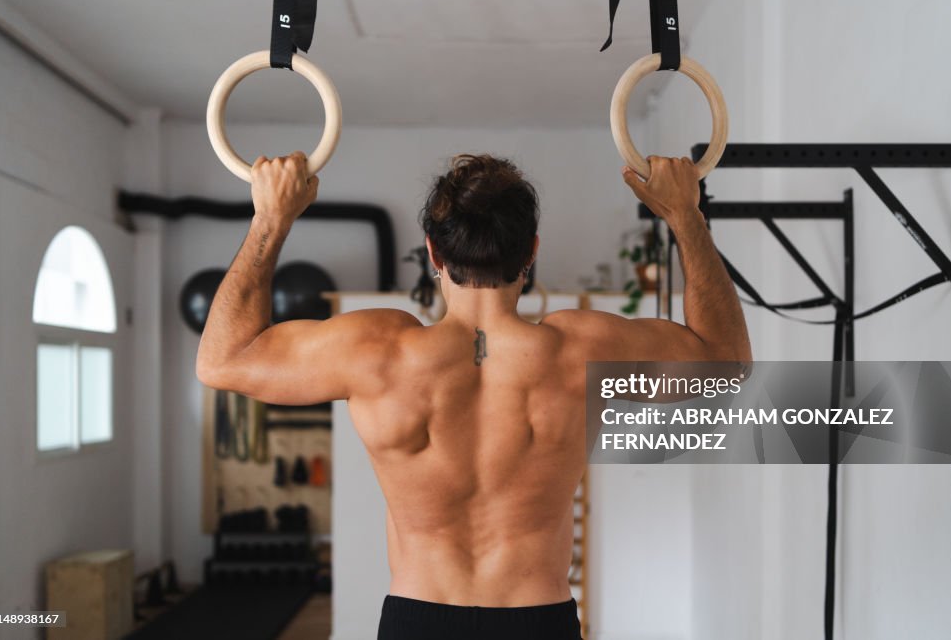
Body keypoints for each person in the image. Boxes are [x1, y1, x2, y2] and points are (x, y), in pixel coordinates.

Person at [197, 151, 751, 640]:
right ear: (530, 252)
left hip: (419, 619)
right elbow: (728, 360)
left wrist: (271, 217)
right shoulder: (582, 351)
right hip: (539, 619)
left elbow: (221, 359)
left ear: (433, 253)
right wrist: (685, 216)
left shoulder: (378, 352)